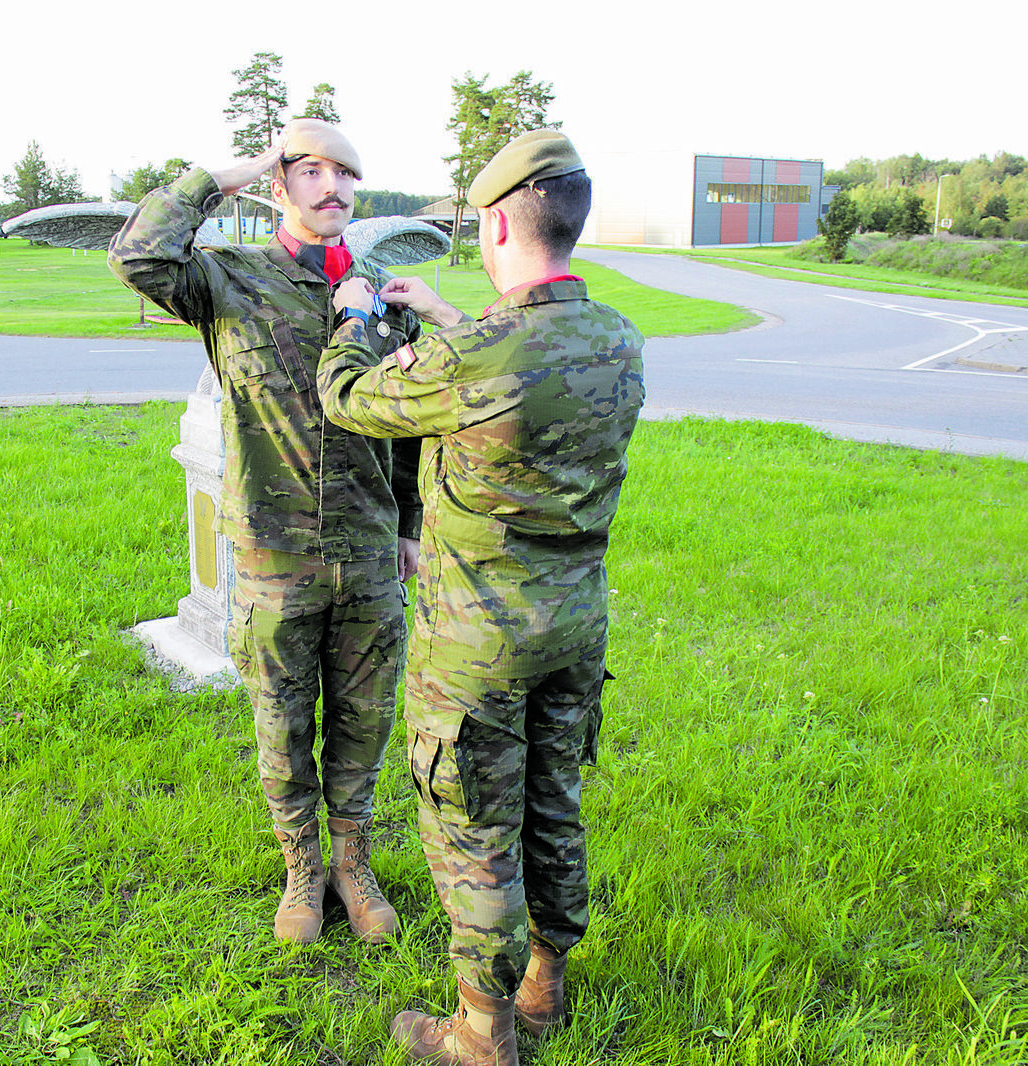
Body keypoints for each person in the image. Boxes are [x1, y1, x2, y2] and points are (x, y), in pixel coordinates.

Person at [315, 130, 646, 1064]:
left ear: (498, 221)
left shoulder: (477, 360)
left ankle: (481, 1034)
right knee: (554, 800)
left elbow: (348, 396)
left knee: (474, 828)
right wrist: (449, 316)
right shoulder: (617, 340)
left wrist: (355, 313)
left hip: (479, 643)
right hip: (575, 625)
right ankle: (546, 985)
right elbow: (517, 364)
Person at [109, 119, 423, 946]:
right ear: (278, 185)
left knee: (364, 719)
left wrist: (414, 525)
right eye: (310, 171)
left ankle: (352, 862)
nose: (333, 187)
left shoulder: (386, 295)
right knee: (282, 723)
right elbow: (137, 256)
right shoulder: (229, 280)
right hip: (271, 551)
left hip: (365, 551)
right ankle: (301, 868)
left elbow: (413, 424)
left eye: (346, 174)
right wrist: (226, 172)